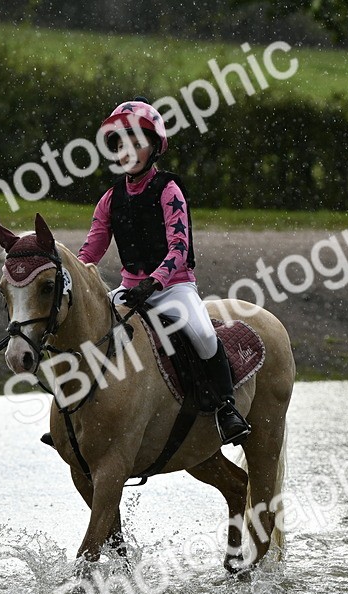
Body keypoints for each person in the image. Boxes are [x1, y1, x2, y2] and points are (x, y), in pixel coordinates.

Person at [77, 97, 251, 446]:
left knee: (204, 336)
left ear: (154, 148)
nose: (128, 152)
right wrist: (75, 276)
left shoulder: (169, 191)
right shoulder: (110, 199)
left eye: (136, 143)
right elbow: (91, 250)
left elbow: (179, 248)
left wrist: (154, 282)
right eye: (120, 145)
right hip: (129, 291)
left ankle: (226, 408)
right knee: (90, 333)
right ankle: (76, 415)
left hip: (174, 288)